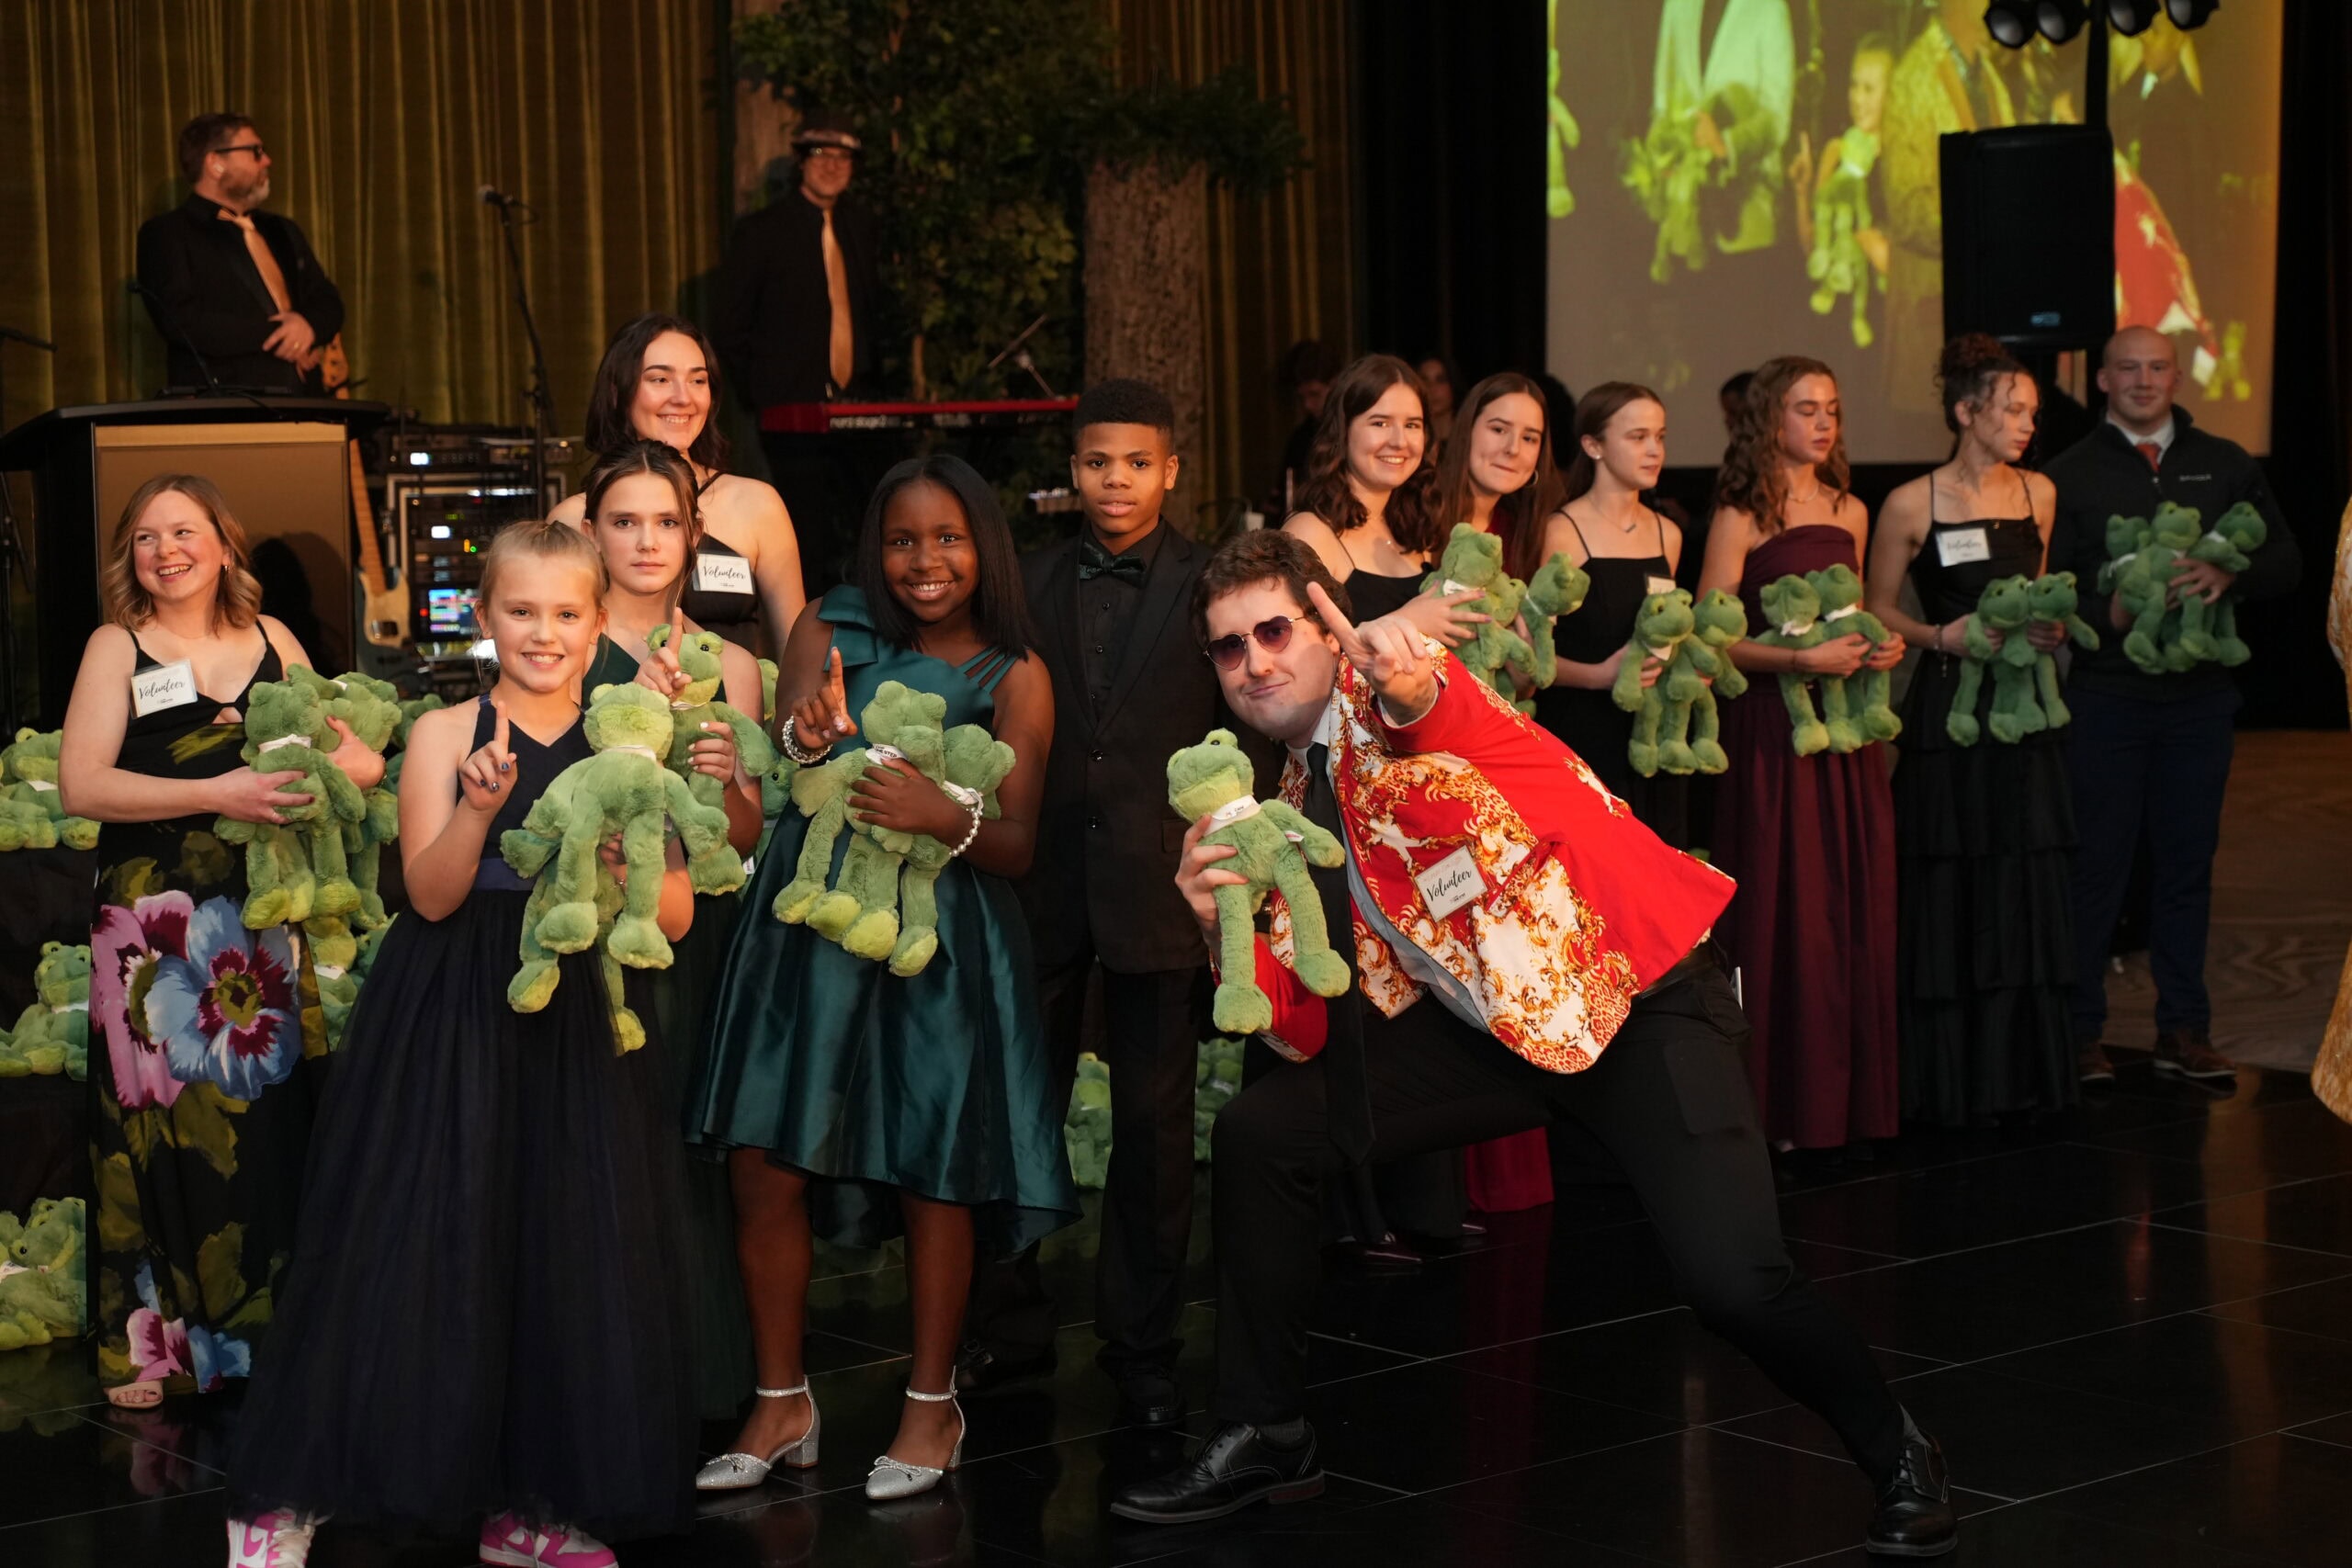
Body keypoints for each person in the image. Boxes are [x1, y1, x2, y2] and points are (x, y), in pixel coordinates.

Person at [1109, 531, 1955, 1559]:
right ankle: (1264, 1433)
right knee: (1264, 1131)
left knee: (1735, 1285)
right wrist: (1215, 929)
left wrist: (1410, 678)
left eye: (1275, 630)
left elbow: (1438, 710)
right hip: (1495, 1035)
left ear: (1328, 631)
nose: (1255, 664)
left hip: (1637, 1002)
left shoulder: (1405, 703)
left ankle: (1895, 1448)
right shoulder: (1282, 819)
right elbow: (1307, 1027)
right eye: (1229, 649)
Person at [224, 518, 703, 1568]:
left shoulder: (631, 741)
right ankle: (294, 1493)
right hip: (453, 1002)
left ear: (596, 623)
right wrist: (478, 815)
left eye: (565, 615)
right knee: (422, 1234)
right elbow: (431, 897)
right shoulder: (445, 733)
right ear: (481, 618)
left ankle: (526, 1501)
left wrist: (629, 860)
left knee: (560, 1248)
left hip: (580, 1009)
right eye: (520, 612)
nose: (543, 633)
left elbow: (671, 919)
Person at [690, 454, 1078, 1501]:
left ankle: (930, 1405)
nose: (924, 561)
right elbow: (788, 757)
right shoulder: (827, 625)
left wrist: (945, 814)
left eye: (947, 537)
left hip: (938, 948)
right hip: (807, 933)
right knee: (763, 1162)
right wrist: (801, 734)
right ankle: (781, 1403)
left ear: (982, 545)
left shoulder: (1016, 671)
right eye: (903, 539)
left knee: (930, 1169)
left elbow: (1019, 841)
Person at [58, 475, 384, 1413]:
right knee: (160, 1130)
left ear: (223, 544)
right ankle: (159, 1345)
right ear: (131, 559)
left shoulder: (275, 641)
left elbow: (357, 758)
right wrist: (222, 790)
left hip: (264, 916)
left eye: (185, 531)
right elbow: (82, 785)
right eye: (147, 537)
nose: (167, 550)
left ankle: (274, 1327)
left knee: (268, 1124)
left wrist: (317, 767)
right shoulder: (116, 646)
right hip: (153, 925)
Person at [956, 379, 1243, 1425]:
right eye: (1093, 463)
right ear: (1070, 471)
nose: (1112, 481)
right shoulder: (1024, 584)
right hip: (1035, 890)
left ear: (1170, 469)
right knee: (1011, 1116)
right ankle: (1010, 1325)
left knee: (1155, 1135)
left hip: (1159, 896)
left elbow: (1240, 725)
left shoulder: (1212, 582)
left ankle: (1144, 1343)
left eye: (1134, 463)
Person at [2044, 326, 2301, 1082]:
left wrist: (2232, 575)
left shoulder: (2224, 463)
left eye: (2157, 367)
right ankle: (2081, 1033)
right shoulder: (2068, 474)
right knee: (2097, 868)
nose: (2144, 380)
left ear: (2177, 377)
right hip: (2107, 700)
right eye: (2128, 367)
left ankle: (2184, 1031)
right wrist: (2109, 612)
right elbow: (2051, 591)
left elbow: (2285, 558)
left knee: (2188, 867)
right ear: (2101, 380)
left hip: (2200, 702)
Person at [573, 438, 769, 1419]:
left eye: (665, 522)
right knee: (605, 1155)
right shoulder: (565, 642)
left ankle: (698, 1386)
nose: (646, 541)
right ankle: (605, 1385)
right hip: (597, 931)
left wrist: (729, 767)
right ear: (592, 532)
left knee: (691, 1155)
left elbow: (742, 831)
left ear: (693, 536)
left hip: (704, 934)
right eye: (624, 521)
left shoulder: (730, 660)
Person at [1284, 354, 1486, 1246]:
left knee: (1429, 986)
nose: (1398, 440)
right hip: (1343, 789)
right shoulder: (1311, 531)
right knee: (1360, 995)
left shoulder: (1424, 534)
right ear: (1343, 432)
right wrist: (1409, 626)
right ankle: (1354, 1210)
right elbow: (1302, 658)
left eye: (1411, 425)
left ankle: (1424, 1203)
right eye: (1379, 423)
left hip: (1423, 789)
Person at [1867, 335, 2075, 1126]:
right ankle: (1947, 1084)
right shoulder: (1912, 502)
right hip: (1951, 711)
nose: (2026, 424)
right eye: (2012, 409)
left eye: (2032, 412)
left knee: (2023, 875)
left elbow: (2040, 593)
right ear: (1966, 411)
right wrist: (1940, 638)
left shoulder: (2039, 494)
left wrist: (2049, 631)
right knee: (1950, 880)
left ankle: (2016, 1076)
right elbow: (1879, 603)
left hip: (2026, 711)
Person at [1698, 356, 1905, 1155]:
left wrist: (1875, 649)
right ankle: (1783, 1107)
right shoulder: (1739, 514)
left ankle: (1848, 1102)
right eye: (1806, 408)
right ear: (1769, 420)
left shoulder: (1851, 509)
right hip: (1773, 735)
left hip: (1844, 738)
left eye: (1833, 410)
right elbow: (1715, 642)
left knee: (1847, 909)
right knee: (1788, 910)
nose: (1823, 424)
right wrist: (1798, 663)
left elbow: (1853, 616)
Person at [1424, 370, 1571, 1213]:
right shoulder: (1419, 520)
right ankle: (1440, 1177)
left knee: (1505, 955)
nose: (1514, 449)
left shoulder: (1529, 534)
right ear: (1465, 430)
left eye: (1529, 437)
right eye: (1499, 429)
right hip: (1426, 761)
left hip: (1507, 760)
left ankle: (1500, 1173)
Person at [551, 313, 806, 658]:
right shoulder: (572, 519)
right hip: (619, 706)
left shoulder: (756, 504)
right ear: (618, 391)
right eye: (660, 379)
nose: (683, 398)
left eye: (698, 381)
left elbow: (797, 651)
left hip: (737, 706)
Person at [717, 111, 884, 596]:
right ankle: (803, 644)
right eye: (821, 154)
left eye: (844, 156)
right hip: (791, 415)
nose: (832, 166)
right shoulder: (763, 232)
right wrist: (765, 395)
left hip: (860, 411)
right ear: (800, 161)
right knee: (803, 535)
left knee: (868, 525)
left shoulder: (862, 227)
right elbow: (731, 326)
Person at [1531, 381, 1689, 849]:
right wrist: (1600, 676)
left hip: (1651, 738)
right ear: (1593, 445)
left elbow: (1663, 632)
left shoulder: (1669, 534)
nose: (1654, 450)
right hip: (1583, 735)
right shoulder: (1561, 530)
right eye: (1637, 437)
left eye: (1659, 437)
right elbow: (1531, 658)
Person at [136, 114, 344, 394]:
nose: (267, 160)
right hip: (225, 405)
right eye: (256, 151)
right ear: (215, 163)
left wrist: (307, 326)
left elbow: (328, 300)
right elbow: (184, 321)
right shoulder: (169, 233)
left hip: (305, 401)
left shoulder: (281, 230)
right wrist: (282, 336)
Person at [1880, 0, 2014, 413]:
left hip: (1982, 318)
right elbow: (1907, 211)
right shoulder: (1914, 78)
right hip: (1931, 316)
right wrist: (1983, 235)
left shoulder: (1987, 74)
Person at [1267, 339, 1342, 516]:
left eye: (1315, 394)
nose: (1307, 405)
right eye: (1302, 397)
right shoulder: (1301, 437)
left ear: (1336, 384)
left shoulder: (1355, 432)